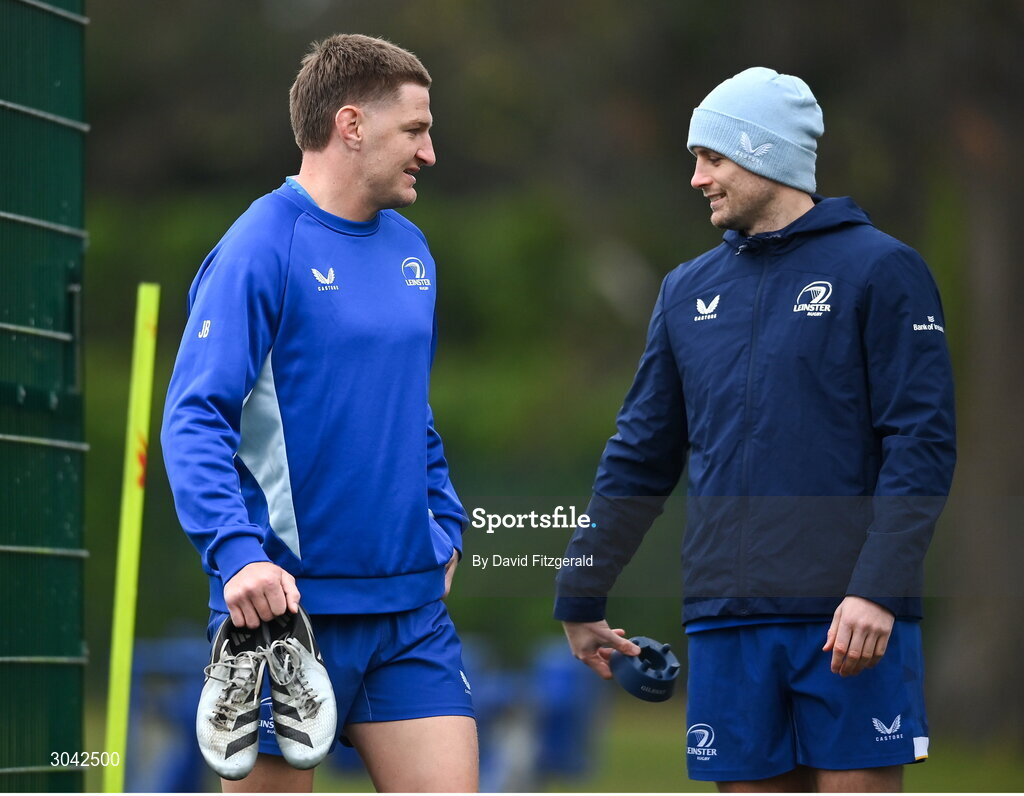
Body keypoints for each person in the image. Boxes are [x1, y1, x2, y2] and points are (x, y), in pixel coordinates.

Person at [554, 67, 955, 793]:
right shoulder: (686, 290)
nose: (696, 178)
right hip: (726, 622)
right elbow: (640, 457)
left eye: (712, 158)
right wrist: (581, 589)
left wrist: (878, 590)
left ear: (764, 154)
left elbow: (920, 444)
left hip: (848, 621)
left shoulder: (884, 271)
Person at [161, 34, 478, 793]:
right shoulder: (260, 246)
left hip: (410, 615)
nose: (429, 152)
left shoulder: (414, 251)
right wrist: (236, 554)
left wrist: (445, 525)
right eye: (416, 129)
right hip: (282, 620)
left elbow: (413, 413)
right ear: (352, 125)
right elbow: (194, 418)